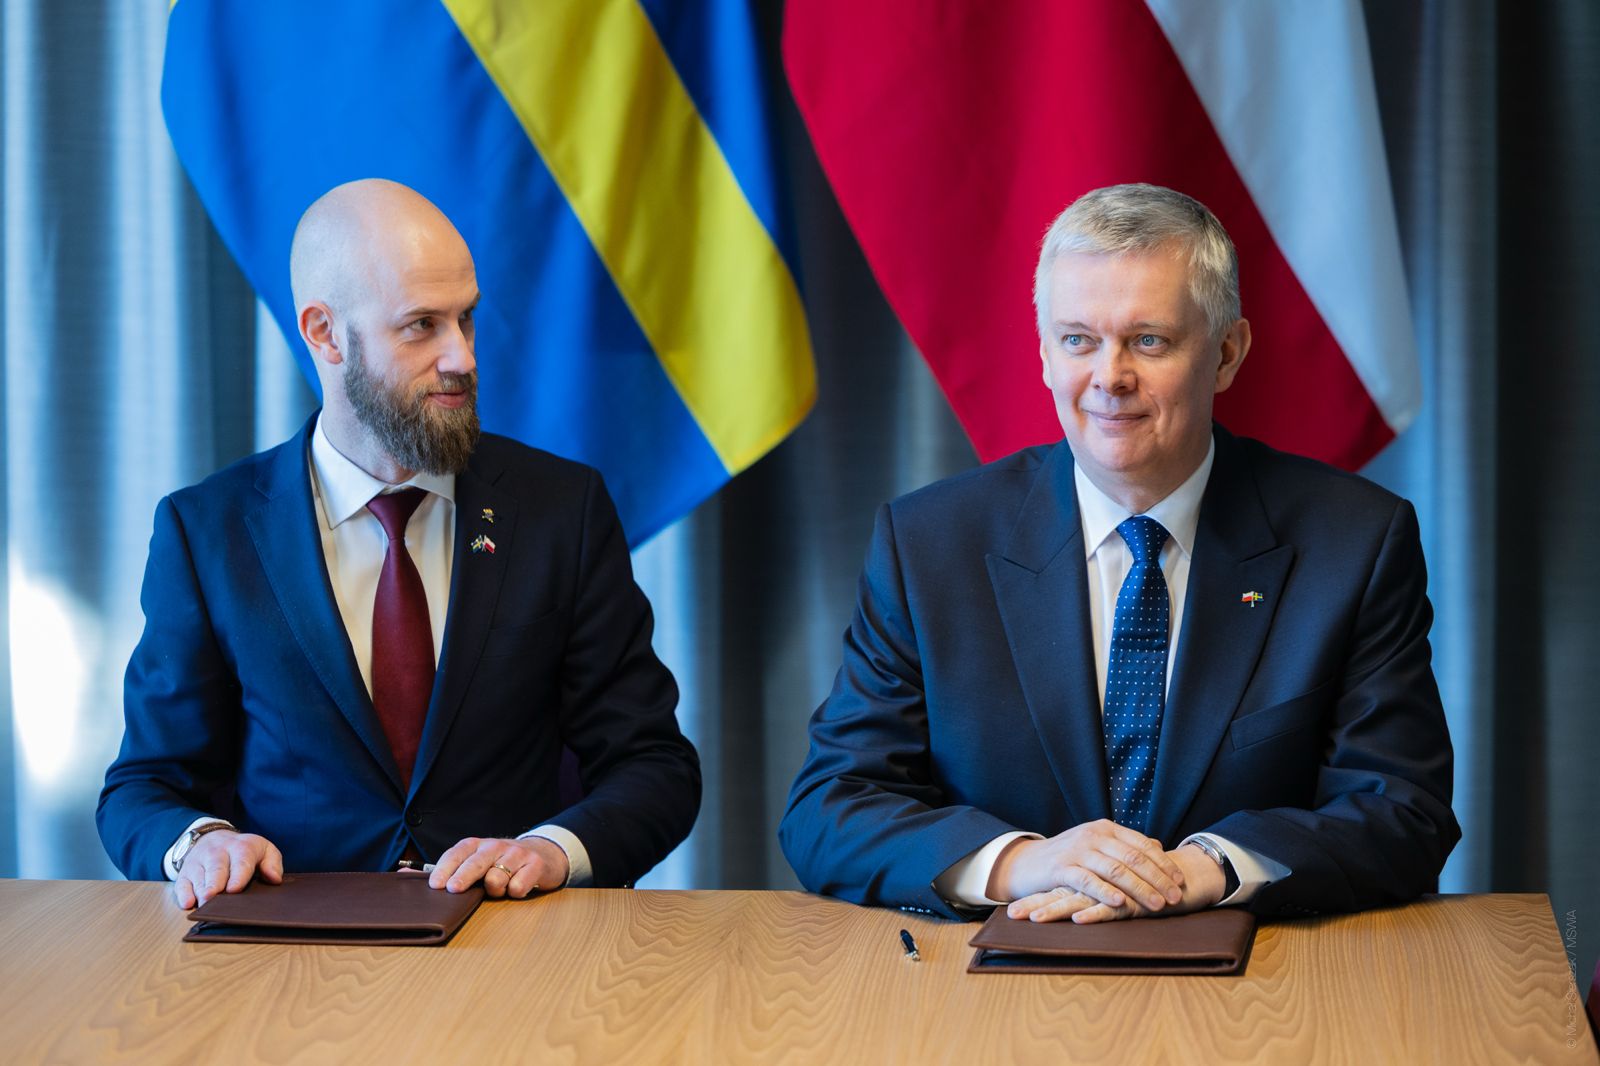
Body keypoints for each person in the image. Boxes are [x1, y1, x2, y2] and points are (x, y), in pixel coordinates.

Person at [779, 183, 1458, 923]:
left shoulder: (1354, 543)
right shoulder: (929, 545)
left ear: (1226, 353)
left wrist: (1206, 869)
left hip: (1260, 975)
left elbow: (1403, 810)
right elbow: (830, 808)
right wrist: (1022, 863)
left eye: (1149, 340)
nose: (1110, 377)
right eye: (1078, 340)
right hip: (989, 973)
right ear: (1044, 354)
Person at [98, 179, 699, 909]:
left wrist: (550, 851)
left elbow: (654, 766)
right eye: (421, 326)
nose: (462, 357)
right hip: (288, 948)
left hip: (512, 941)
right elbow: (145, 785)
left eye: (466, 319)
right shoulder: (208, 532)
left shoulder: (560, 511)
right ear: (324, 334)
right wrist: (202, 843)